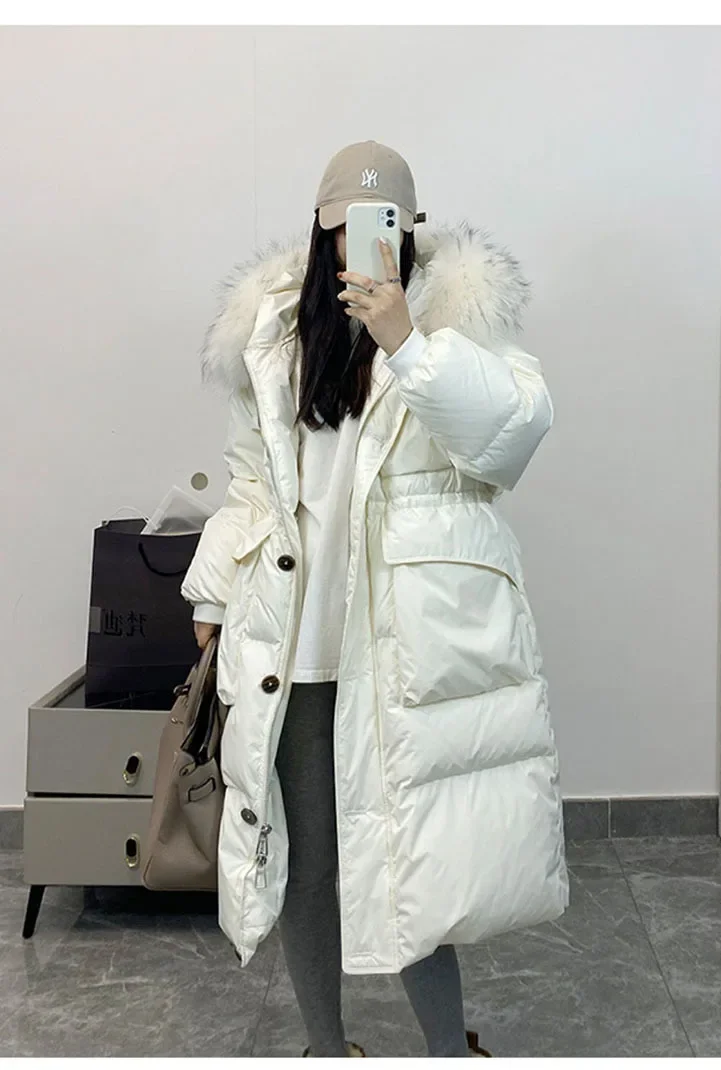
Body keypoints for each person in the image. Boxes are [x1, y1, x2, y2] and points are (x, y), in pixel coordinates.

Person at [182, 140, 569, 1058]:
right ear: (321, 232)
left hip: (400, 647)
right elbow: (251, 484)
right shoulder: (274, 337)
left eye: (385, 226)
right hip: (295, 649)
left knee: (412, 868)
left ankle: (447, 1051)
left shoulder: (455, 322)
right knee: (306, 866)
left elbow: (509, 440)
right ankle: (327, 1048)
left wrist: (407, 342)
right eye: (347, 228)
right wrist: (212, 591)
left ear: (410, 228)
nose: (363, 245)